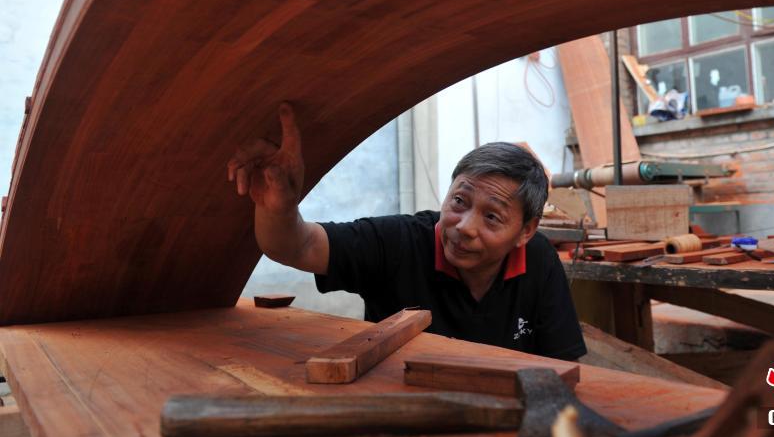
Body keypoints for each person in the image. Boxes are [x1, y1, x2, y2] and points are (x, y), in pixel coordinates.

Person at [227, 103, 586, 361]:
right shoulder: (397, 243)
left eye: (492, 218)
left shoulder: (537, 258)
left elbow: (565, 366)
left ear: (525, 231)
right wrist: (279, 207)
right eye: (459, 201)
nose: (465, 227)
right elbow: (296, 246)